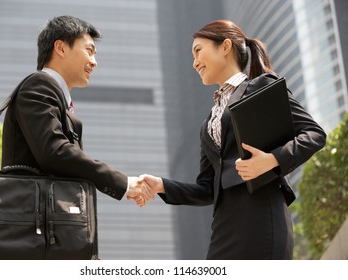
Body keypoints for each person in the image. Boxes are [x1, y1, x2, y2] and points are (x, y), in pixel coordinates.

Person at [138, 19, 327, 259]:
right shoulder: (209, 121)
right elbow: (207, 188)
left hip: (261, 217)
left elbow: (314, 134)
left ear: (225, 46)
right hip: (224, 228)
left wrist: (272, 160)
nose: (194, 62)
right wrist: (162, 185)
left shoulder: (260, 86)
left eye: (198, 51)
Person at [1, 15, 153, 233]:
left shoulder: (57, 97)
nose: (94, 62)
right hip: (30, 230)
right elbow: (55, 151)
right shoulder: (39, 85)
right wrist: (124, 183)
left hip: (43, 228)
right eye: (89, 51)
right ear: (61, 48)